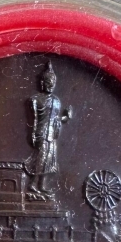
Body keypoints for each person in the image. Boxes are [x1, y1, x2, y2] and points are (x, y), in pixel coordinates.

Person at [24, 61, 72, 199]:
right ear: (42, 83)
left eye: (53, 83)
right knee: (41, 159)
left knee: (49, 160)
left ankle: (42, 185)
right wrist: (33, 134)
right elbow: (34, 119)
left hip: (52, 134)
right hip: (41, 133)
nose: (50, 85)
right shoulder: (35, 100)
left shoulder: (56, 101)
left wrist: (66, 117)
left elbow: (56, 119)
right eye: (48, 82)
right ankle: (32, 184)